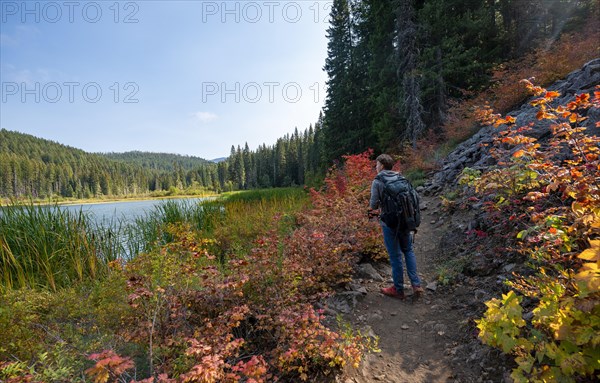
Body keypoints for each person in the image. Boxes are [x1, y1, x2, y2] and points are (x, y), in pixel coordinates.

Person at [369, 154, 424, 299]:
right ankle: (416, 284)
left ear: (381, 165)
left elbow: (373, 204)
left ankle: (398, 289)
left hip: (390, 223)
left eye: (376, 165)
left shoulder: (378, 181)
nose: (376, 167)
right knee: (408, 250)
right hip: (406, 220)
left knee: (395, 256)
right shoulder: (401, 177)